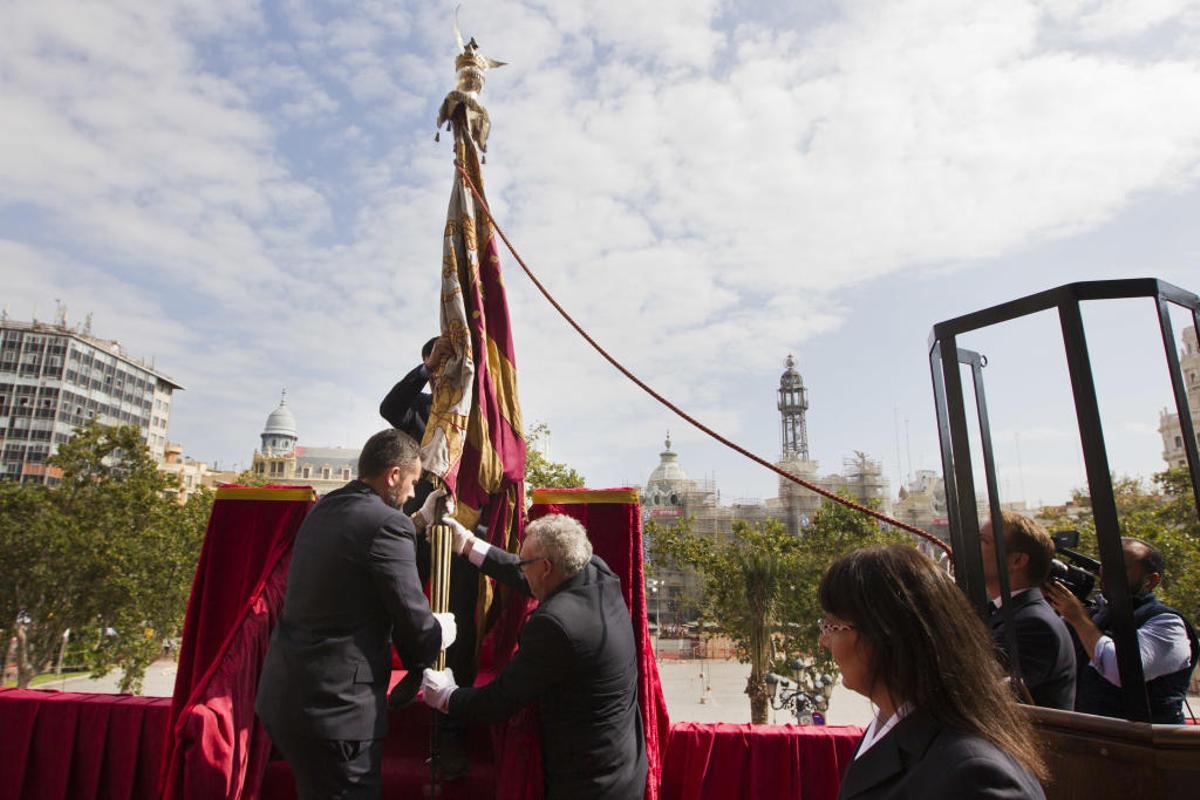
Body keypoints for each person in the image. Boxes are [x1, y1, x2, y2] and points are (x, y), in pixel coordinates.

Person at [255, 429, 457, 799]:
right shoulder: (389, 524)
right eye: (413, 482)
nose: (413, 494)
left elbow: (359, 556)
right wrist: (437, 634)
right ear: (393, 475)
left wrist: (416, 523)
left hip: (287, 699)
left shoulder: (323, 509)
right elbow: (412, 620)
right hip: (337, 712)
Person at [420, 513, 648, 800]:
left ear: (546, 567)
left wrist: (446, 696)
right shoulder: (593, 570)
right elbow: (531, 576)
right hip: (625, 766)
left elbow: (499, 702)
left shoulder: (555, 626)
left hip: (588, 782)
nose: (521, 568)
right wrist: (469, 545)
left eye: (524, 562)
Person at [819, 545, 1046, 800]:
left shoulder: (974, 777)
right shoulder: (894, 727)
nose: (823, 641)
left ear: (885, 636)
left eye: (831, 627)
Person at [377, 334, 479, 779]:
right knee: (405, 603)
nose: (444, 371)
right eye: (438, 364)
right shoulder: (417, 407)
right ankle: (418, 667)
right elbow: (389, 407)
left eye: (451, 363)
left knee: (462, 623)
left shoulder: (476, 412)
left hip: (464, 529)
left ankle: (452, 726)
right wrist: (428, 368)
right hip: (418, 526)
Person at [1045, 537, 1198, 724]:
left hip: (1142, 740)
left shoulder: (1166, 624)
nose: (1108, 572)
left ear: (1151, 580)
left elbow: (1122, 670)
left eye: (1121, 567)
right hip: (1087, 735)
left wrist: (1079, 620)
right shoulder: (1095, 614)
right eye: (1106, 565)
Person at [980, 512, 1076, 709]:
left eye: (982, 541)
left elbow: (975, 689)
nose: (969, 548)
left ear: (1017, 561)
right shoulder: (1011, 613)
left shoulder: (1033, 625)